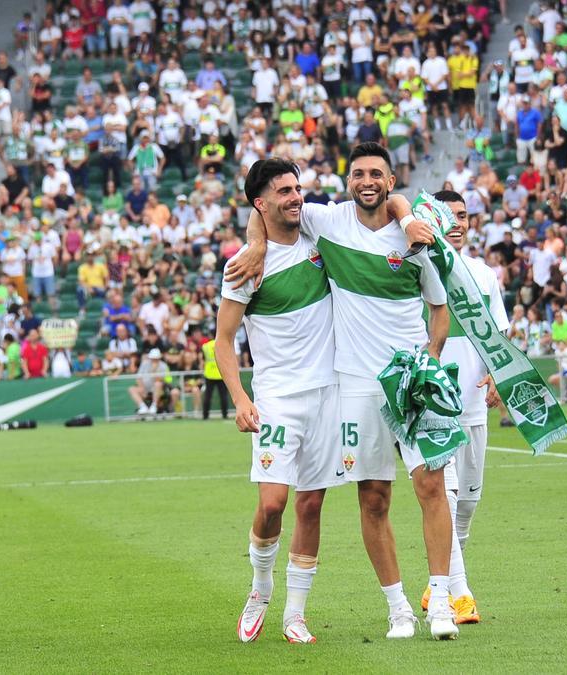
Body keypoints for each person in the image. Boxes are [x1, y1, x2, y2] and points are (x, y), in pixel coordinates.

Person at [228, 143, 457, 639]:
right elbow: (263, 210)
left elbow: (440, 309)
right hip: (353, 383)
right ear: (347, 181)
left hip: (413, 380)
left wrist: (432, 362)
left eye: (377, 174)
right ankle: (398, 609)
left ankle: (441, 600)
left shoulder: (417, 237)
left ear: (392, 182)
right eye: (358, 174)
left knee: (432, 486)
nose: (367, 181)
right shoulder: (326, 222)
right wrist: (257, 245)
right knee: (373, 498)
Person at [217, 159, 341, 644]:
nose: (296, 197)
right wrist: (240, 397)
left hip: (329, 395)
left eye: (297, 188)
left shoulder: (321, 242)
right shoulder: (246, 265)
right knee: (273, 504)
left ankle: (295, 613)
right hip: (277, 399)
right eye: (284, 191)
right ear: (261, 203)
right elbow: (223, 341)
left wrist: (259, 234)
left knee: (310, 506)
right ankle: (259, 589)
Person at [424, 189, 510, 624]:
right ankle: (460, 593)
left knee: (467, 506)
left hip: (475, 403)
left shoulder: (483, 274)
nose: (456, 222)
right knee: (447, 495)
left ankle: (436, 578)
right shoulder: (418, 266)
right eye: (447, 216)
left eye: (462, 215)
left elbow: (498, 335)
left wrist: (496, 374)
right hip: (434, 405)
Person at [128, 348, 179, 414]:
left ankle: (154, 406)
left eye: (156, 358)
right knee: (132, 389)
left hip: (159, 389)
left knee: (157, 384)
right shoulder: (144, 364)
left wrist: (154, 371)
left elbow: (161, 380)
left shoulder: (163, 366)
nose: (154, 360)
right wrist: (142, 387)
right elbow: (139, 377)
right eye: (153, 358)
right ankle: (142, 407)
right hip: (145, 388)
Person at [200, 336, 228, 420]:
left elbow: (202, 359)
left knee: (208, 396)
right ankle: (224, 414)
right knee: (223, 396)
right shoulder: (222, 344)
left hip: (209, 373)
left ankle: (205, 415)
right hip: (221, 373)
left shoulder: (205, 346)